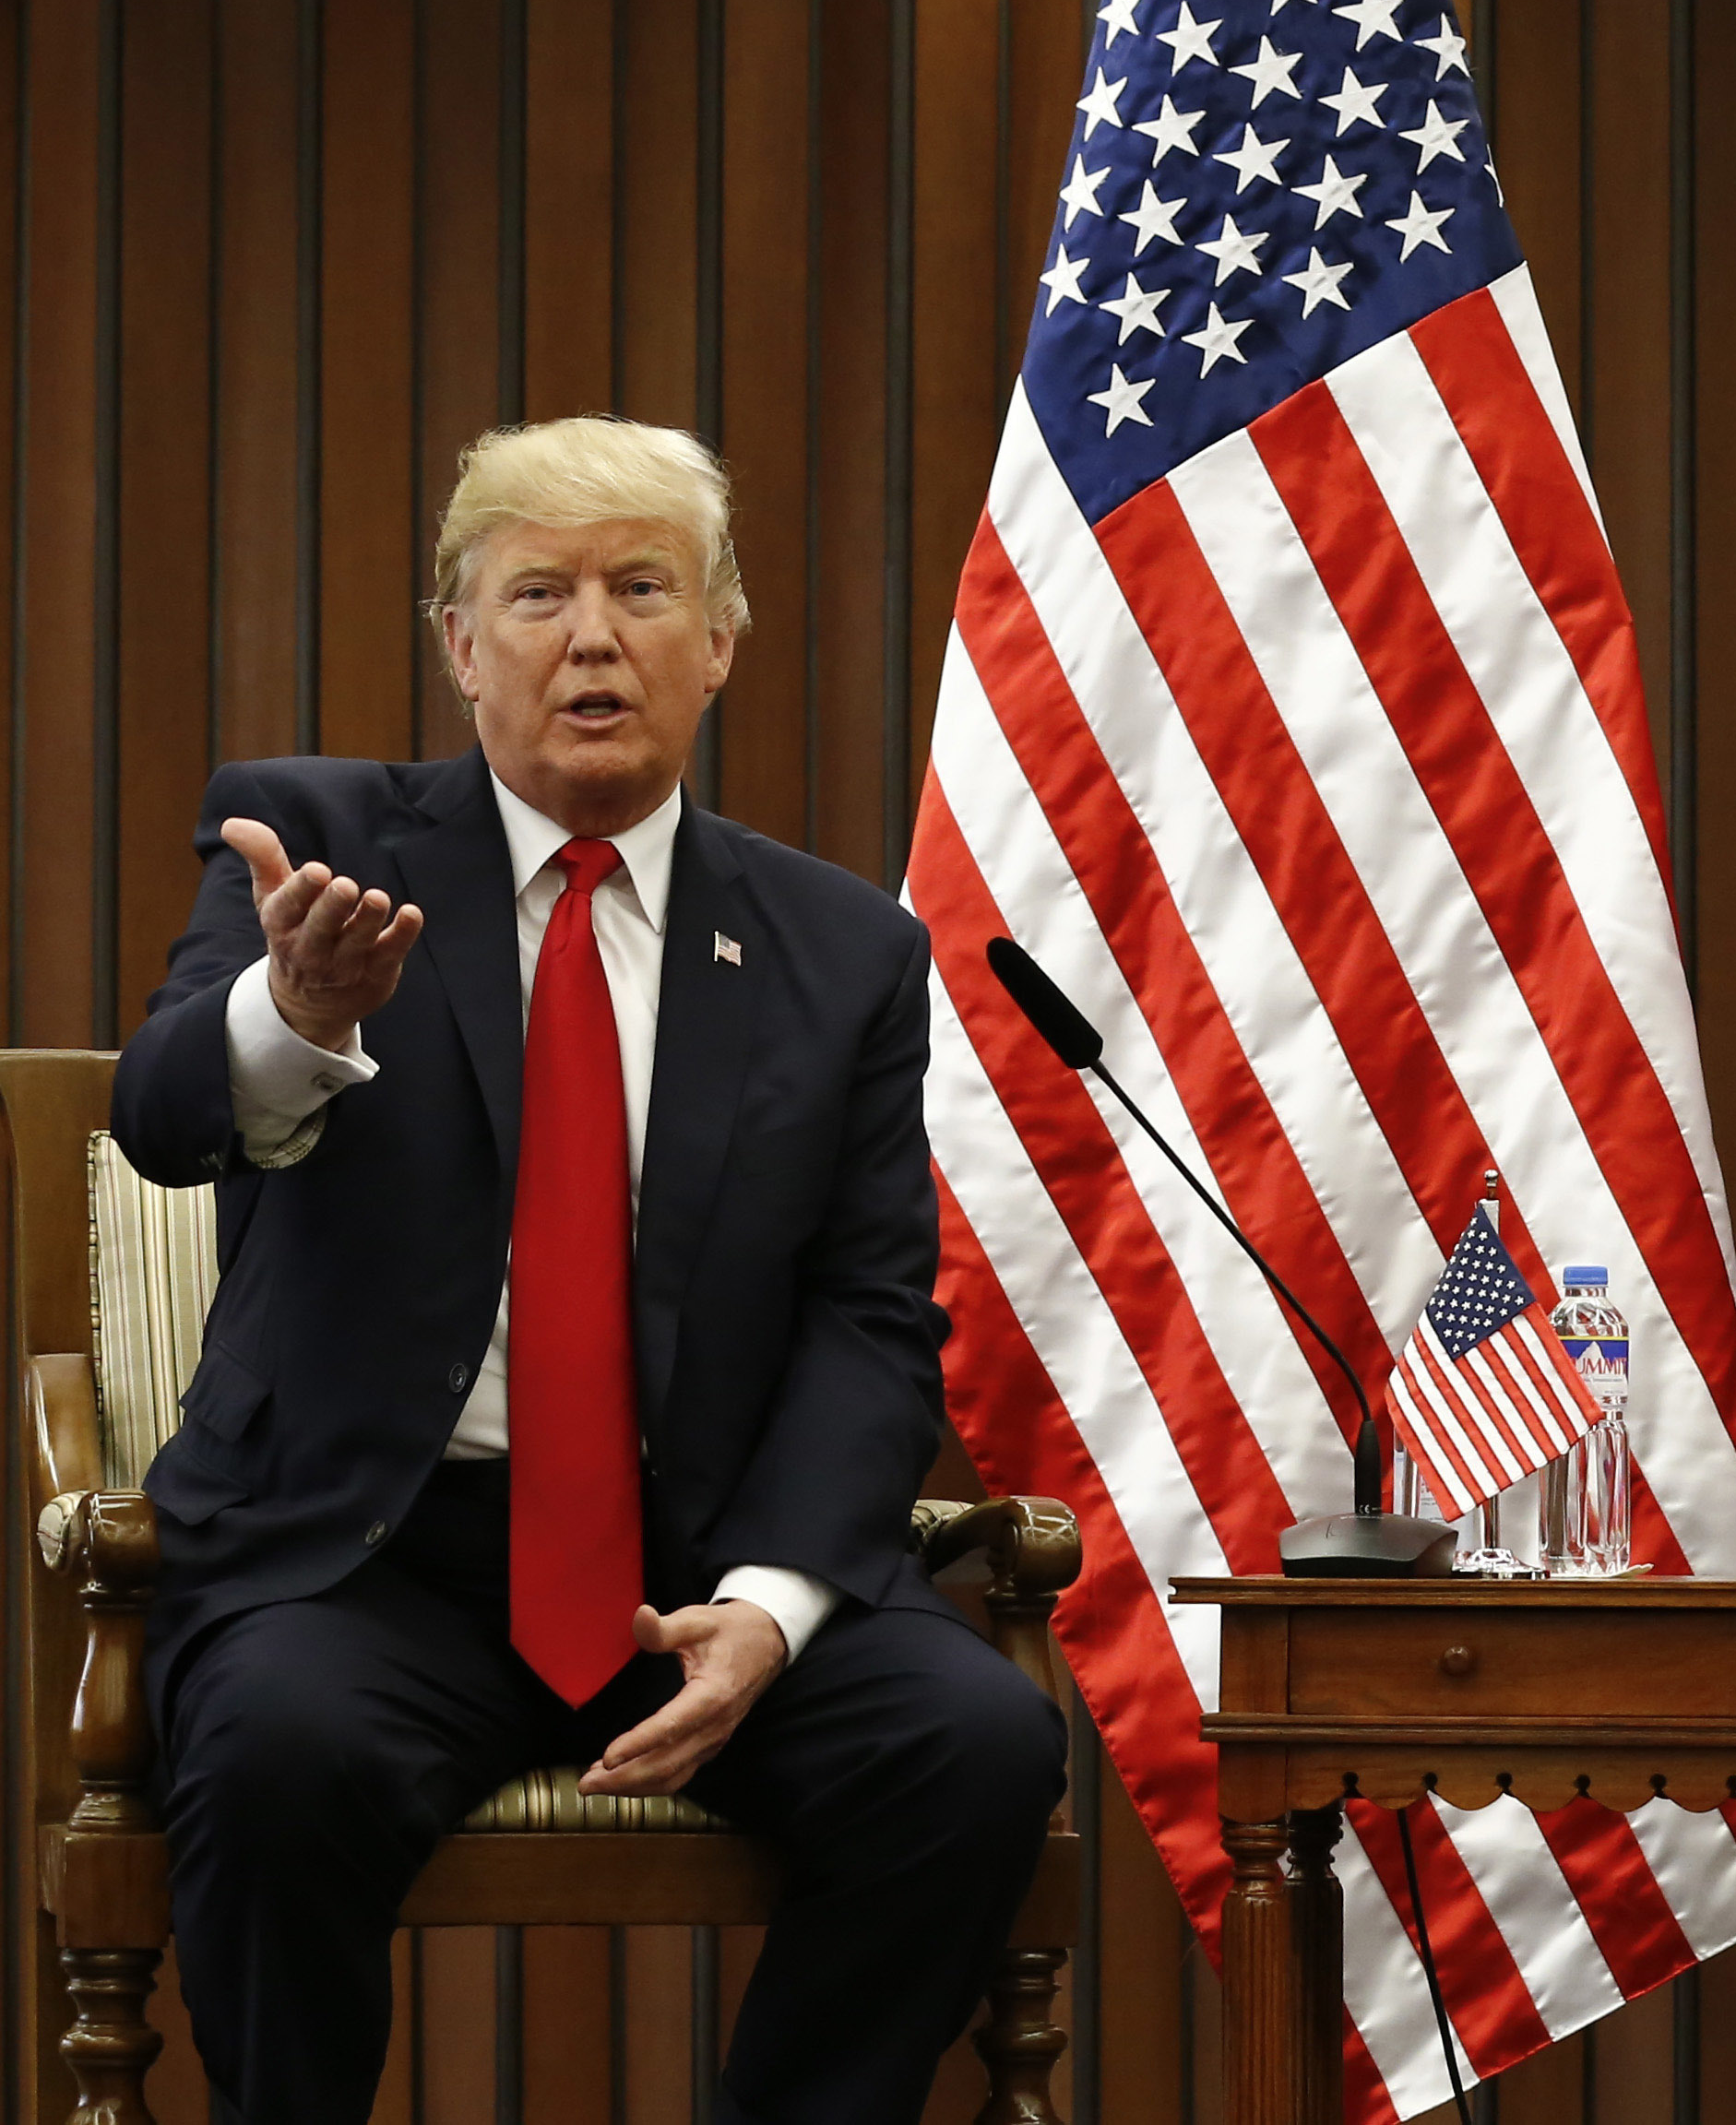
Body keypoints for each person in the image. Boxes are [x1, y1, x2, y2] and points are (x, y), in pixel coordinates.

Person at [111, 418, 1065, 2125]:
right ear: (461, 646)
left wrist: (771, 1614)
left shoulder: (841, 949)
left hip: (694, 1551)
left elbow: (870, 1317)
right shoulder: (310, 845)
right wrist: (296, 1013)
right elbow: (168, 1122)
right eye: (537, 592)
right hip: (367, 1561)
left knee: (977, 1748)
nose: (594, 635)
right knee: (274, 1754)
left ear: (722, 639)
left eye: (644, 587)